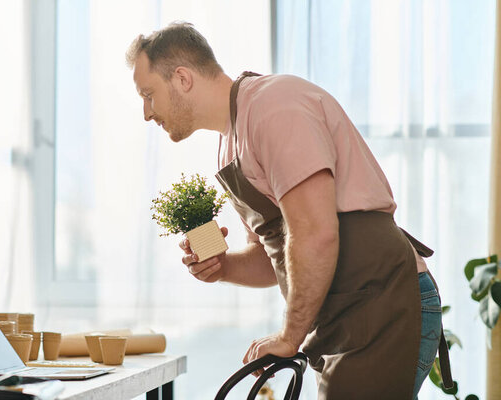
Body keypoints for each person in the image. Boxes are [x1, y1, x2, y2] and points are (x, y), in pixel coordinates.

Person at [126, 22, 451, 399]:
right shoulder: (229, 143)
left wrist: (288, 337)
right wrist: (223, 266)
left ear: (182, 78)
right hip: (342, 318)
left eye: (148, 95)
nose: (147, 113)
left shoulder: (273, 106)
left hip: (383, 302)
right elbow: (277, 256)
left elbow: (315, 233)